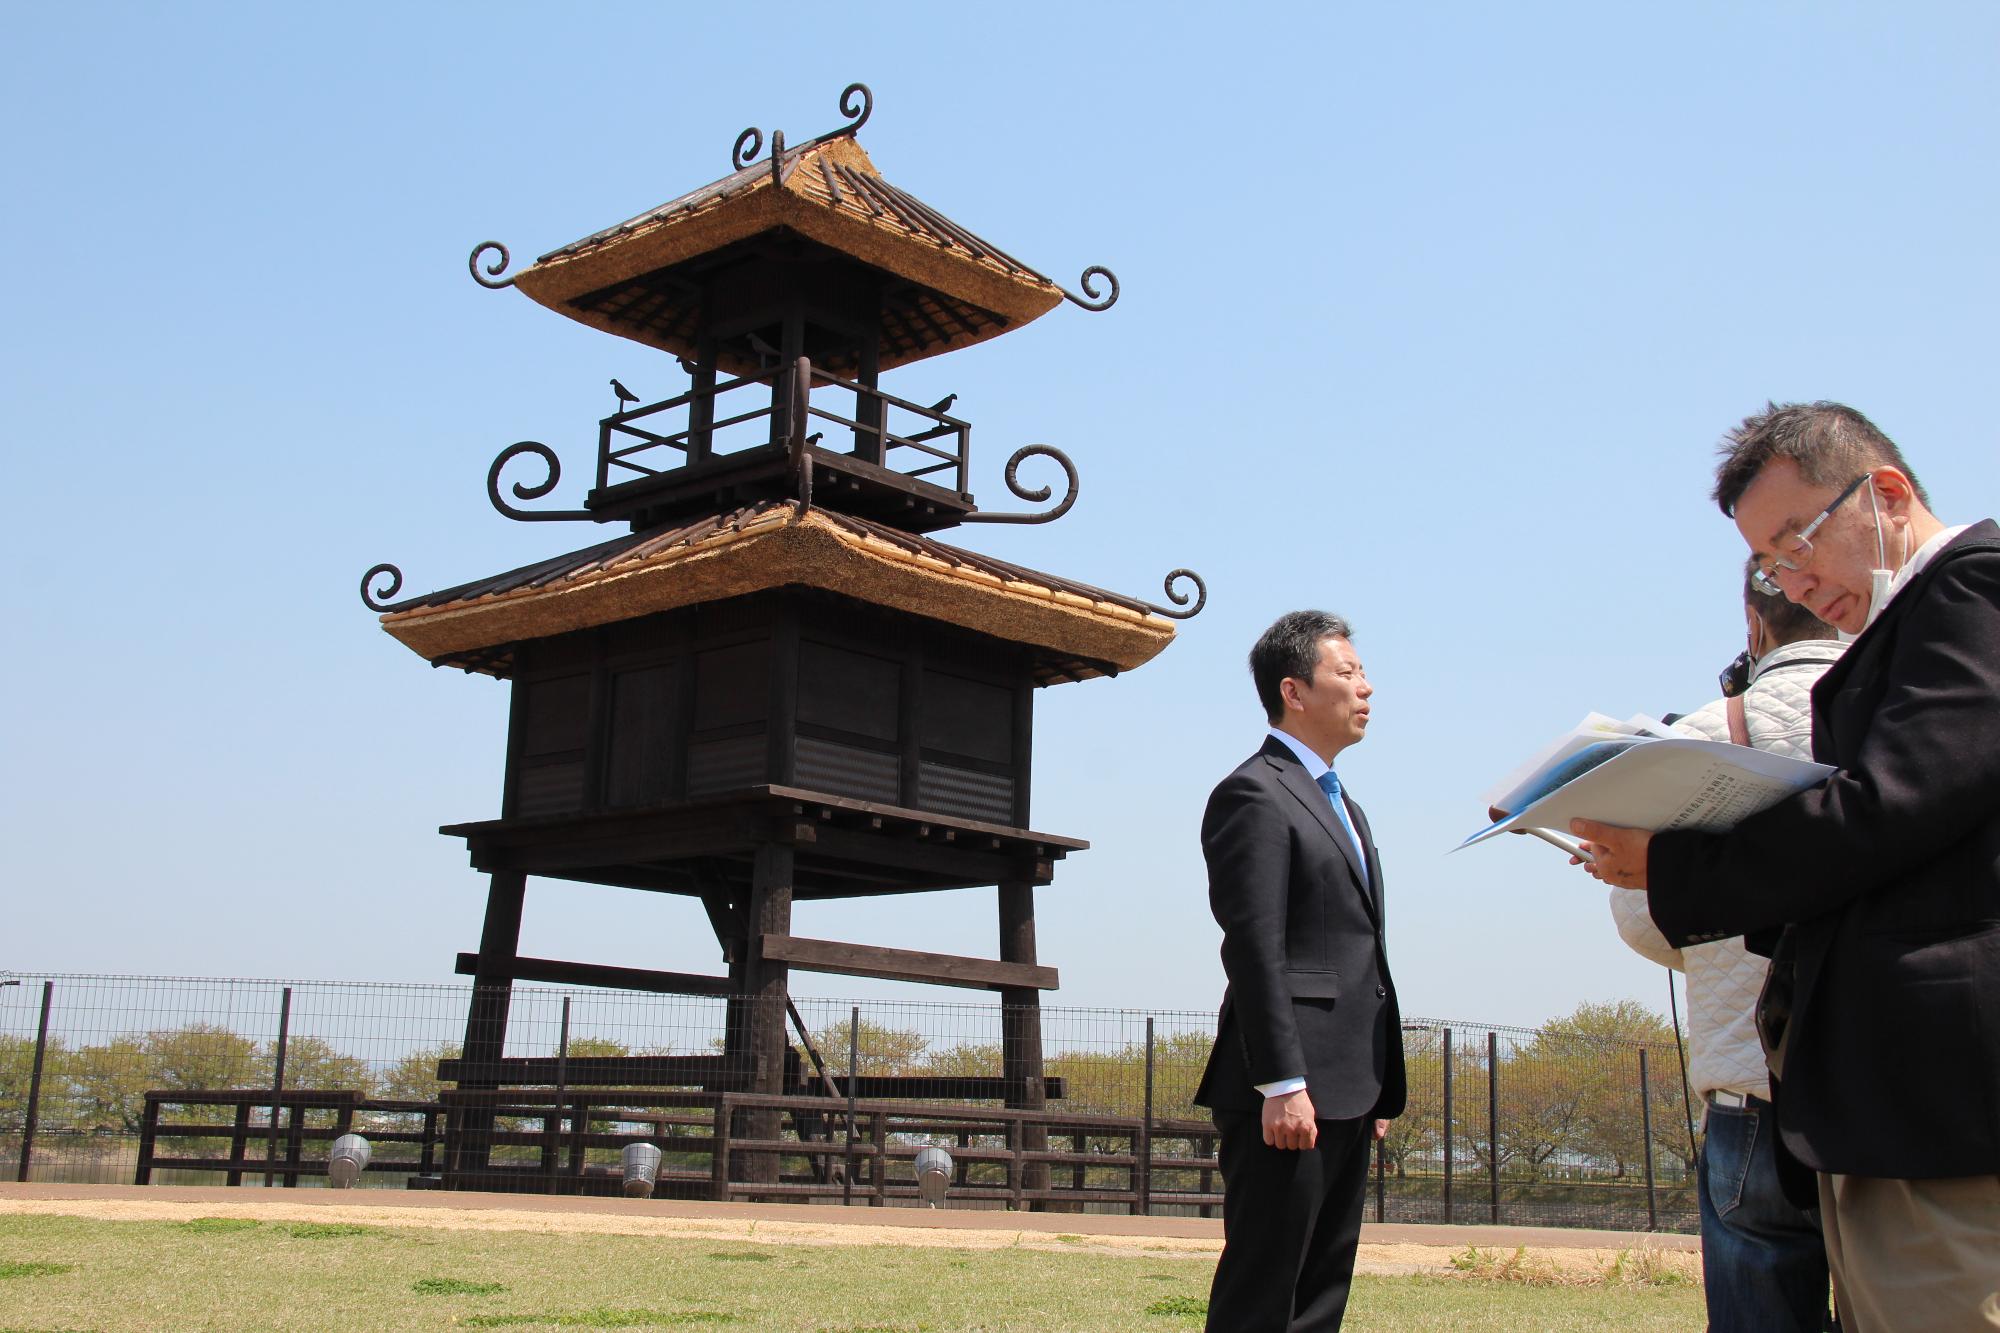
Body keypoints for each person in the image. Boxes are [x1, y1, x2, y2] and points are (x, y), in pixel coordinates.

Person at [1573, 402, 2000, 1331]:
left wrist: (1673, 865)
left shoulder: (1974, 589)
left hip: (1941, 1109)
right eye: (1770, 562)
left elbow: (1890, 808)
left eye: (1797, 539)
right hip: (1883, 1107)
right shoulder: (1909, 622)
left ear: (1886, 494)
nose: (1793, 578)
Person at [1609, 562, 1843, 1332]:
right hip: (1887, 1086)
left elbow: (1646, 916)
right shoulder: (1903, 712)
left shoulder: (1704, 734)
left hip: (1751, 1087)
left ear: (1754, 619)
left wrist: (1720, 943)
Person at [1194, 610, 1404, 1332]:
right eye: (1347, 673)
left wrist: (1372, 1080)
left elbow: (1355, 951)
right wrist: (1282, 1083)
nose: (1367, 687)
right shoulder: (1253, 792)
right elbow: (1254, 946)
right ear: (1295, 690)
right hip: (1286, 1091)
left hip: (1348, 1086)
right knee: (1265, 1289)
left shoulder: (1346, 806)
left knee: (1321, 1293)